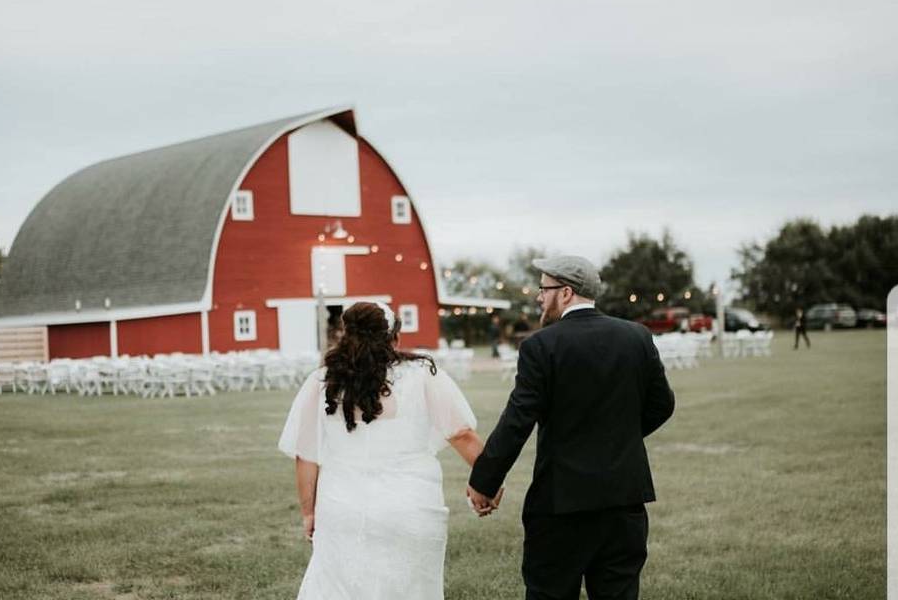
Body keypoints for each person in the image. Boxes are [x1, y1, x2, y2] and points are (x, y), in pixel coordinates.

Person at [467, 256, 675, 600]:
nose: (537, 296)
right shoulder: (636, 336)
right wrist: (617, 435)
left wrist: (483, 481)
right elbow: (662, 405)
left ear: (565, 293)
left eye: (543, 288)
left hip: (560, 503)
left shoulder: (540, 346)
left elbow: (517, 420)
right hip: (624, 500)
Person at [278, 301, 486, 599]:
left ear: (345, 335)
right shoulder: (421, 374)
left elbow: (306, 455)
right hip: (410, 506)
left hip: (341, 508)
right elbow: (462, 434)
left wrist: (309, 512)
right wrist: (489, 481)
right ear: (394, 337)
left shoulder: (324, 380)